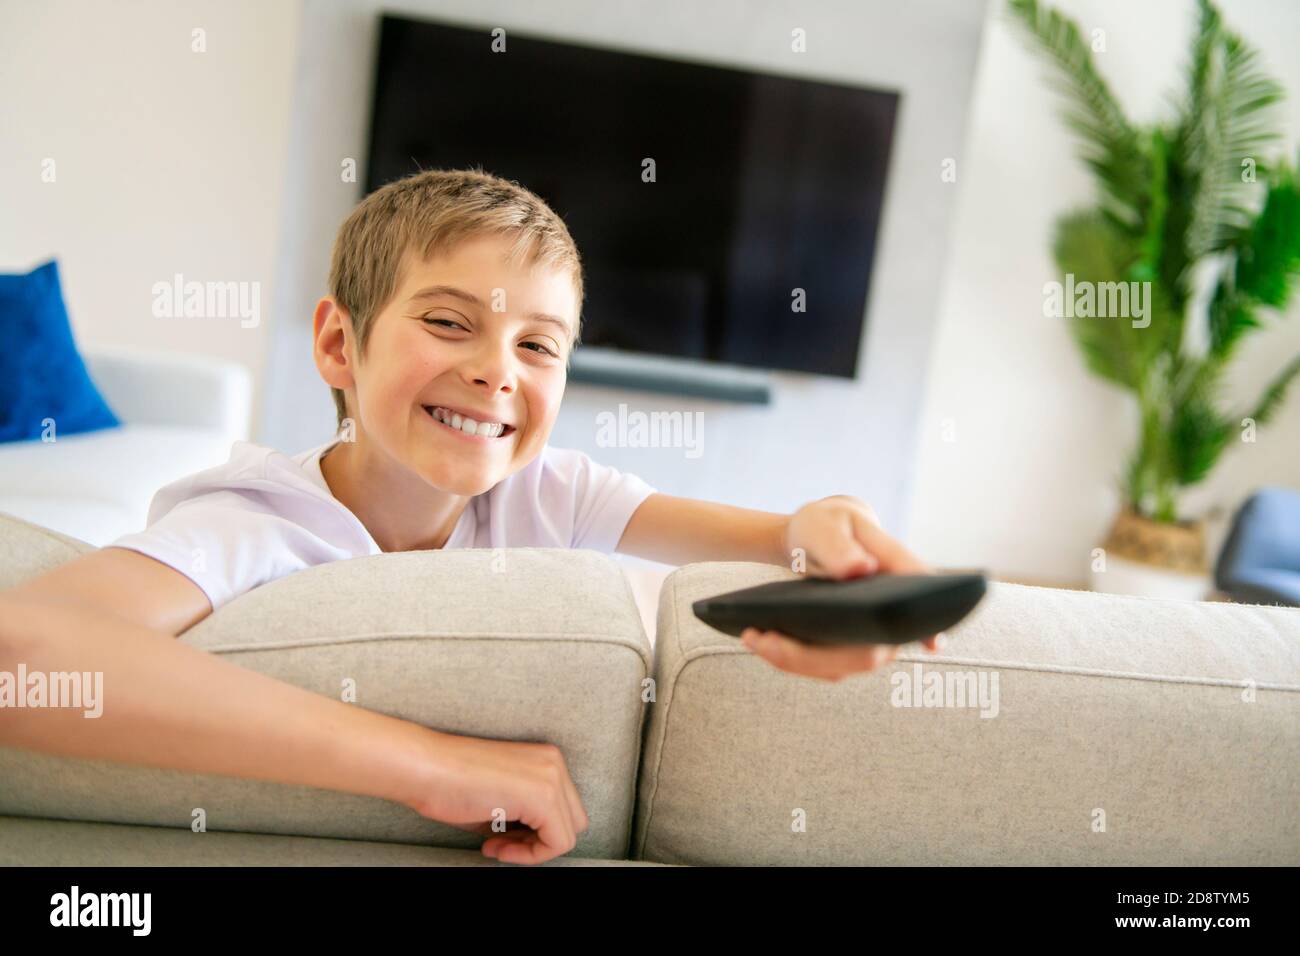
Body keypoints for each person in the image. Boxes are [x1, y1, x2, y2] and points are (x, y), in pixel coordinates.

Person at [0, 168, 939, 865]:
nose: (499, 370)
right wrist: (427, 764)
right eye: (449, 322)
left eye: (539, 344)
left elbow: (775, 542)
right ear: (338, 342)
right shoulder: (258, 517)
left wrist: (826, 544)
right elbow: (23, 660)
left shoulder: (550, 490)